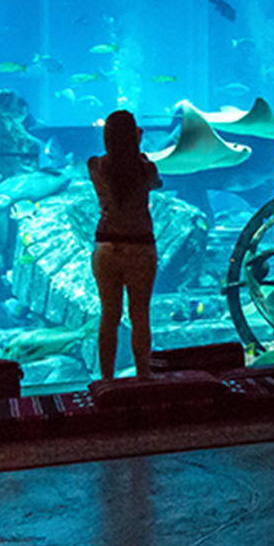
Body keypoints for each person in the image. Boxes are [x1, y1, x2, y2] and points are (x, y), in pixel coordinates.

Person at [88, 110, 163, 381]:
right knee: (140, 314)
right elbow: (156, 183)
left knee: (109, 314)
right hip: (140, 246)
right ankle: (144, 376)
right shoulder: (146, 167)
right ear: (135, 135)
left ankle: (106, 378)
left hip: (106, 246)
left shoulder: (95, 165)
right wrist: (139, 150)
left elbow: (110, 167)